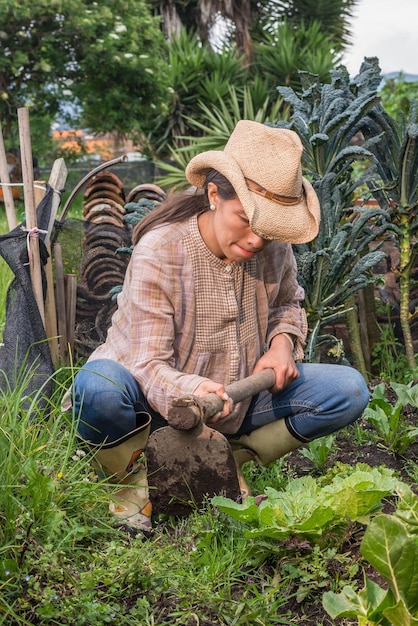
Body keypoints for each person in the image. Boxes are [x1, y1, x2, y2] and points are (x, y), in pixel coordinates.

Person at [71, 120, 370, 532]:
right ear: (214, 195)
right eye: (245, 219)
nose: (256, 239)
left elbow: (288, 303)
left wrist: (283, 341)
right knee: (96, 390)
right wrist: (194, 390)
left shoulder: (273, 247)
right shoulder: (162, 249)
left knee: (347, 391)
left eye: (269, 228)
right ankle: (134, 478)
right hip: (150, 401)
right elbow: (148, 363)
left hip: (234, 402)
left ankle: (224, 460)